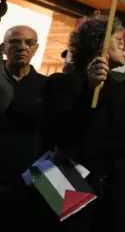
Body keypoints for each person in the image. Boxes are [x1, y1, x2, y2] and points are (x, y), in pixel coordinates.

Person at [43, 15, 125, 232]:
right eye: (119, 40)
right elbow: (60, 133)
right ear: (97, 43)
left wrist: (91, 146)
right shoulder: (59, 84)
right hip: (65, 184)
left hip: (115, 192)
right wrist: (90, 91)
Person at [0, 26, 55, 231]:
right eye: (15, 42)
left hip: (30, 181)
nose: (22, 47)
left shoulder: (47, 86)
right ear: (3, 47)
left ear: (36, 48)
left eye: (29, 43)